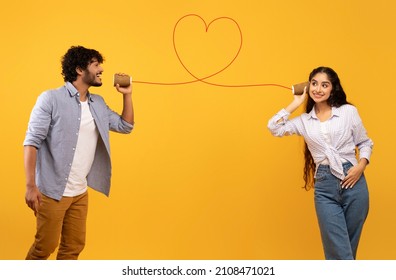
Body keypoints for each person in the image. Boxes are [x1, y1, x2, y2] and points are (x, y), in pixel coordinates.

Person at [23, 45, 134, 260]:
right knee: (44, 248)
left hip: (80, 193)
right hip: (53, 191)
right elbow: (31, 142)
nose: (101, 69)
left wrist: (127, 96)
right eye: (95, 65)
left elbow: (125, 126)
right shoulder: (51, 99)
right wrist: (30, 186)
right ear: (80, 70)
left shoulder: (98, 103)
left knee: (72, 249)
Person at [267, 66, 373, 259]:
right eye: (314, 84)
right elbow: (274, 127)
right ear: (308, 86)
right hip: (325, 188)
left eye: (325, 85)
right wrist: (295, 102)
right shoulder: (304, 121)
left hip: (354, 182)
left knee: (348, 251)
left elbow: (365, 142)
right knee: (339, 254)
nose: (318, 89)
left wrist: (361, 166)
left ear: (333, 88)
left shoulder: (348, 112)